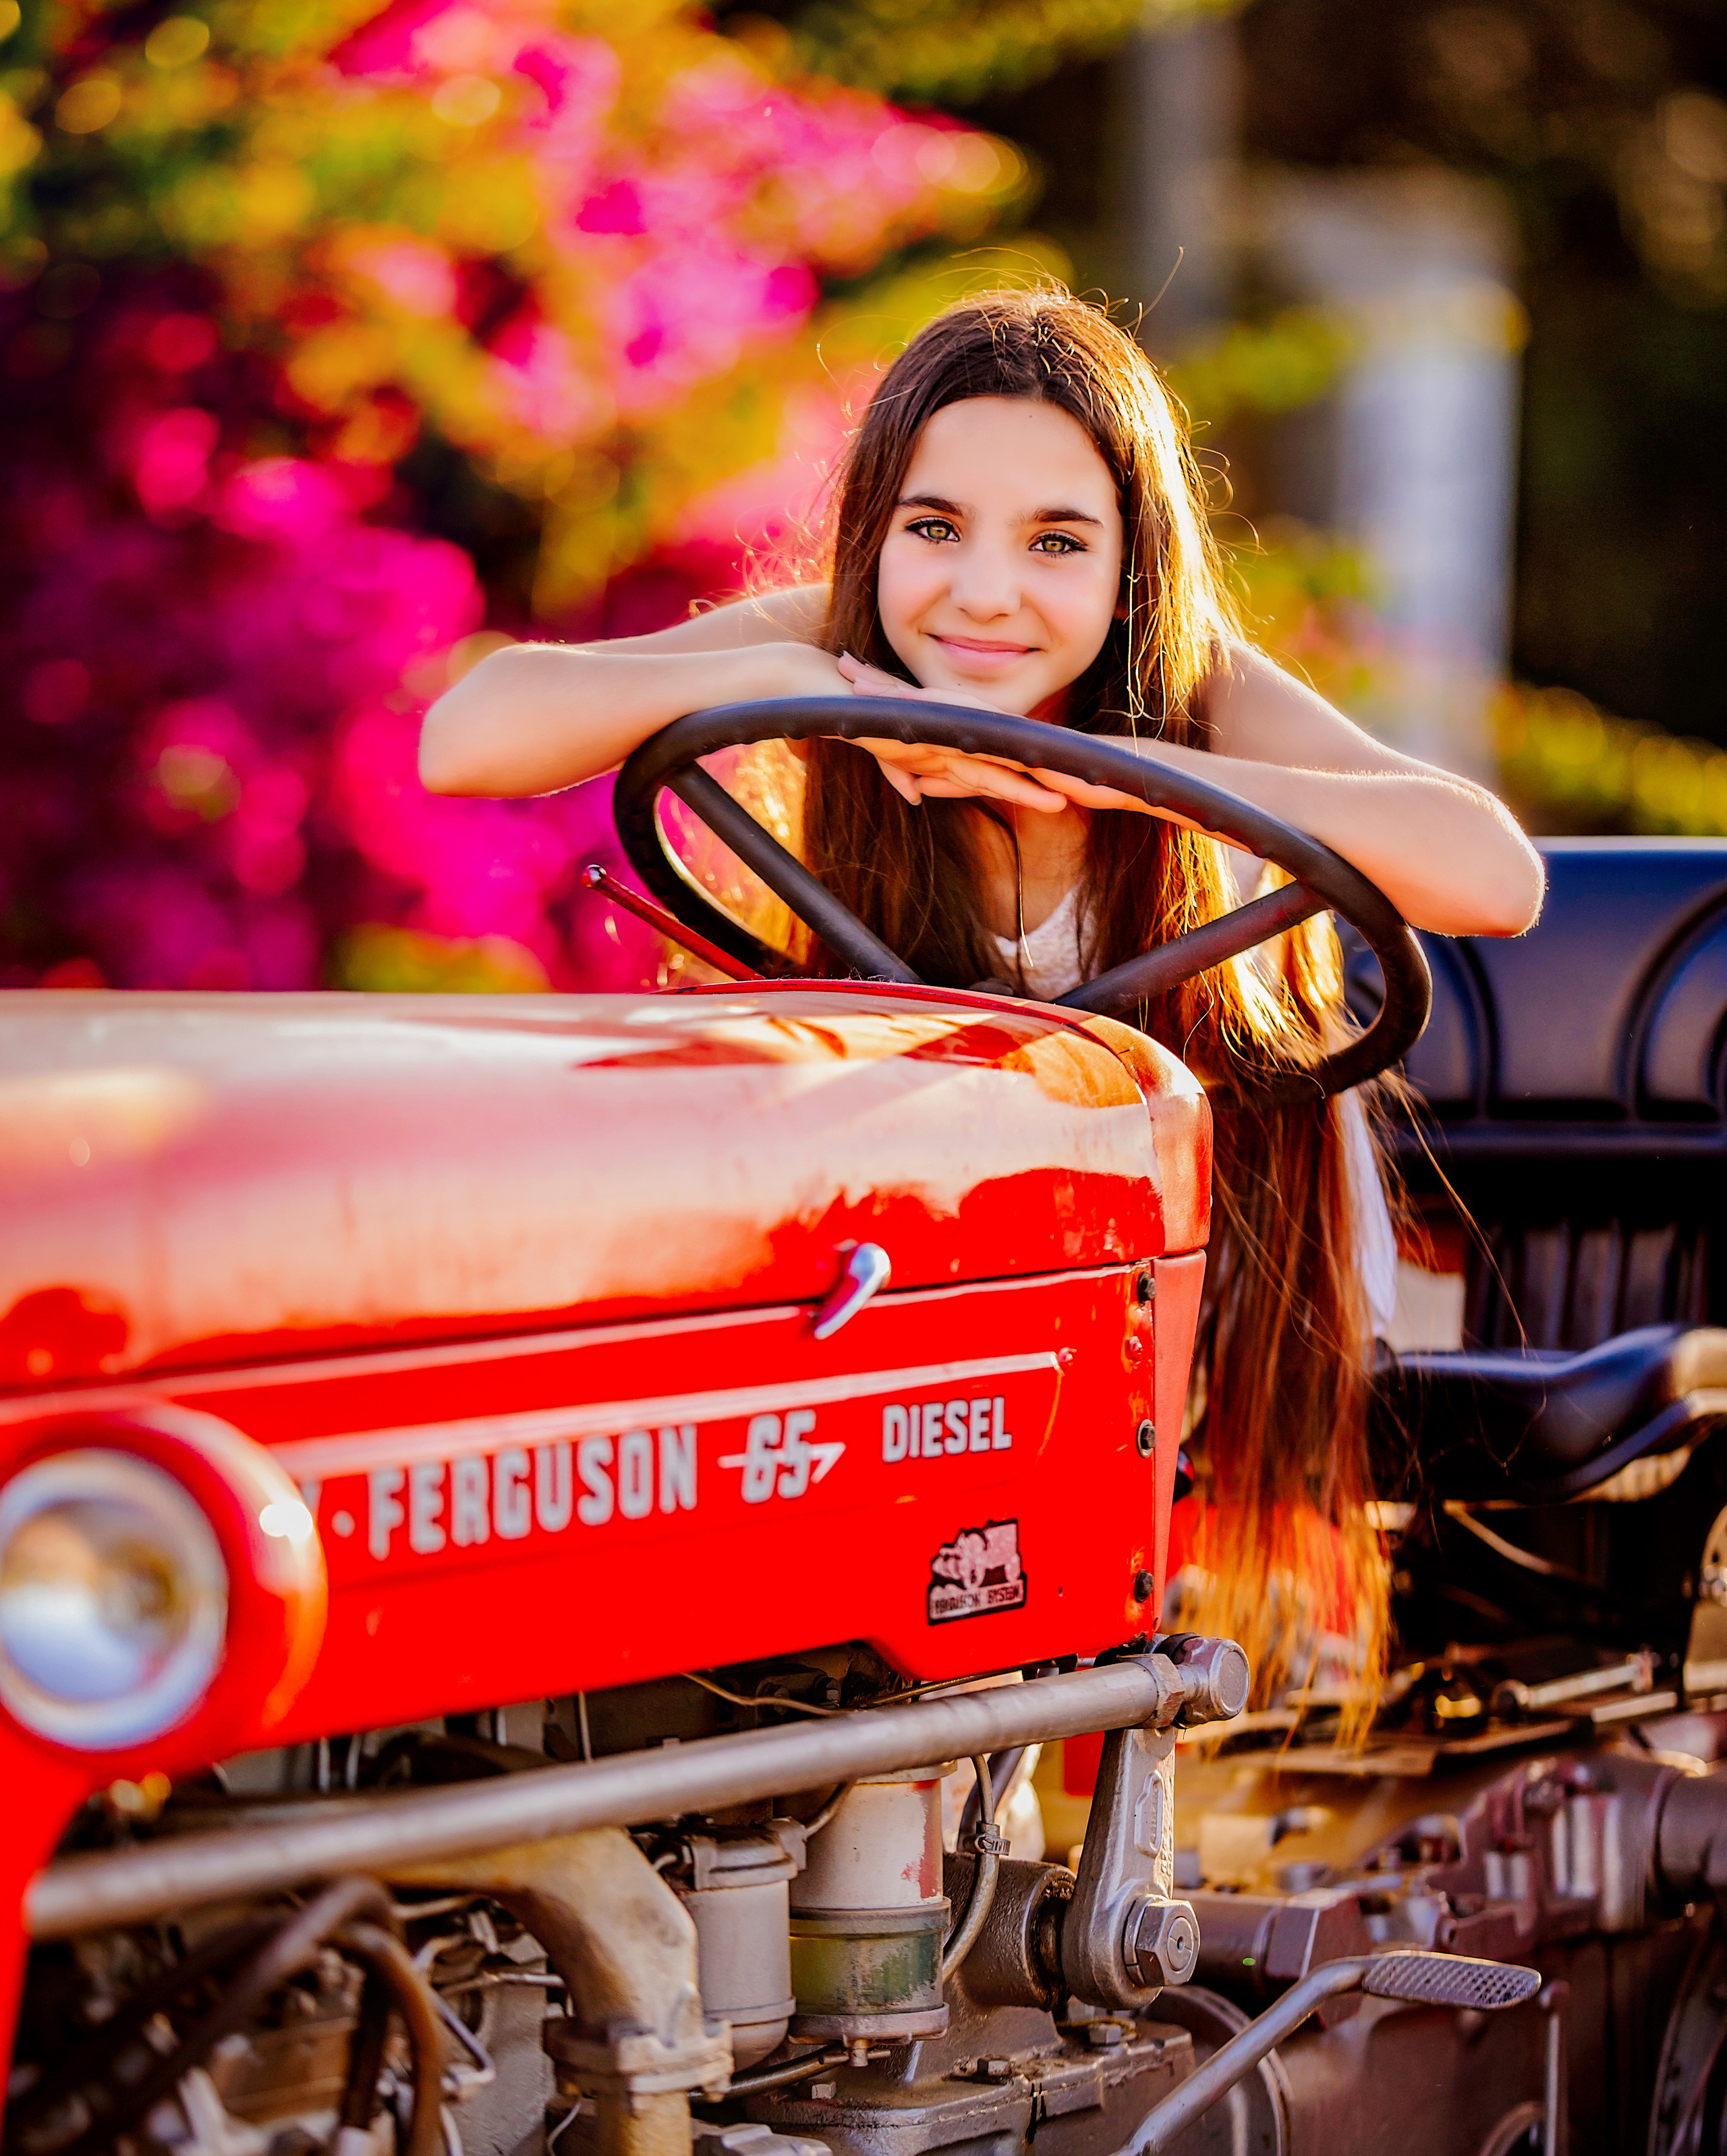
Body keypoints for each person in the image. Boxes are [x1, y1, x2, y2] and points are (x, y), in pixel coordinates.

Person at [421, 287, 1544, 1703]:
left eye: (1055, 542)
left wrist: (1131, 779)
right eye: (935, 528)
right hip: (914, 1253)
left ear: (1129, 568)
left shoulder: (1189, 683)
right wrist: (786, 675)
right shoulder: (842, 644)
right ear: (876, 534)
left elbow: (1492, 875)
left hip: (1186, 1259)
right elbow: (465, 739)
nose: (985, 593)